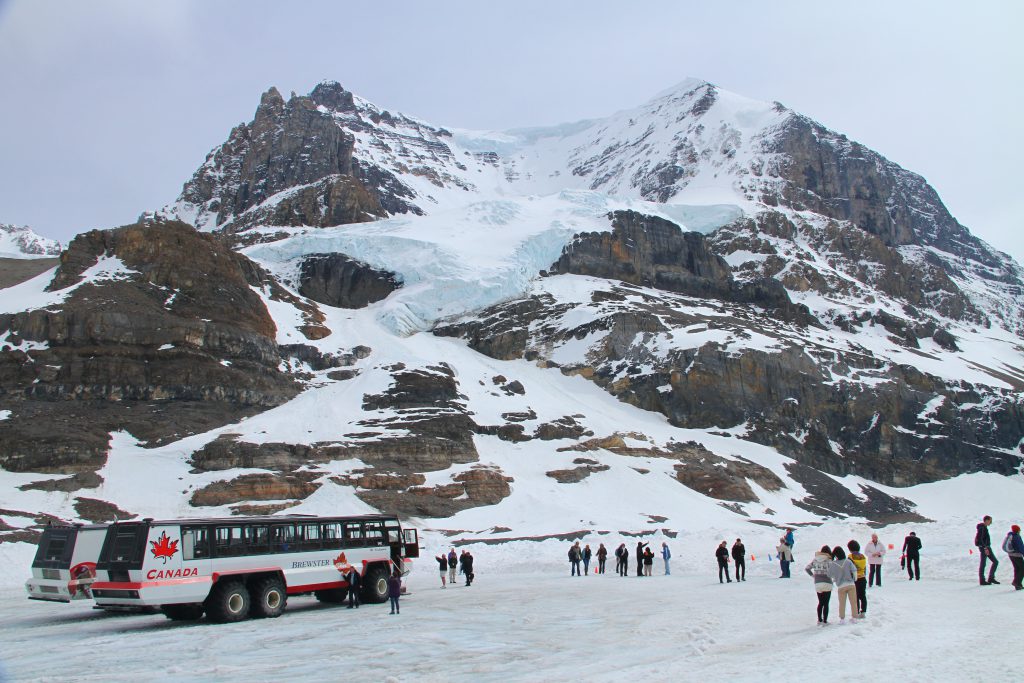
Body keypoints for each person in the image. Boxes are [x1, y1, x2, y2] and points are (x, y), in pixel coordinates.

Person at [806, 545, 834, 625]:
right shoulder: (829, 560)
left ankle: (819, 620)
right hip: (827, 582)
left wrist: (813, 576)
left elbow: (807, 568)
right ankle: (825, 620)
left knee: (820, 602)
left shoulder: (815, 559)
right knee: (826, 603)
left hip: (818, 583)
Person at [831, 546, 859, 623]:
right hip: (850, 584)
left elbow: (830, 574)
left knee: (842, 603)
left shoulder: (833, 564)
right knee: (853, 602)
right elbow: (854, 570)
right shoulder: (848, 561)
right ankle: (854, 618)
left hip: (841, 586)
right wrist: (855, 579)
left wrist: (835, 578)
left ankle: (842, 619)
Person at [976, 515, 1000, 585]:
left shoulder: (983, 527)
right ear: (986, 520)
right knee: (984, 563)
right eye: (990, 521)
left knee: (994, 562)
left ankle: (990, 578)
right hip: (985, 548)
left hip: (985, 547)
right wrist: (985, 547)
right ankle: (983, 580)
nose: (991, 522)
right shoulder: (982, 528)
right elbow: (980, 539)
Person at [847, 540, 867, 616]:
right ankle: (863, 611)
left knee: (856, 596)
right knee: (863, 596)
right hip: (862, 578)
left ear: (850, 548)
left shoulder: (850, 557)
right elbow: (864, 568)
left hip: (854, 579)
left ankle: (856, 612)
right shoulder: (862, 556)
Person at [1004, 524, 1024, 591]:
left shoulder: (1010, 535)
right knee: (1022, 569)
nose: (1020, 531)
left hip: (1011, 555)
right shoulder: (1016, 537)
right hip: (1017, 555)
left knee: (1017, 569)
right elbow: (1020, 547)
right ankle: (1016, 582)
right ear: (1017, 530)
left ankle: (1018, 585)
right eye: (1019, 529)